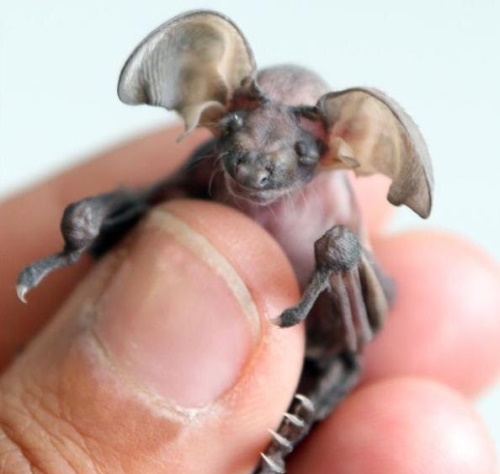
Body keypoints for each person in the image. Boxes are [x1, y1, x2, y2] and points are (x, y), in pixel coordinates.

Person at [0, 126, 498, 473]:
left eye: (293, 153)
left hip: (314, 345)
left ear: (330, 151)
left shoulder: (333, 202)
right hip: (245, 332)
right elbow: (158, 191)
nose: (256, 172)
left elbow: (365, 290)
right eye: (240, 133)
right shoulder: (210, 162)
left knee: (344, 255)